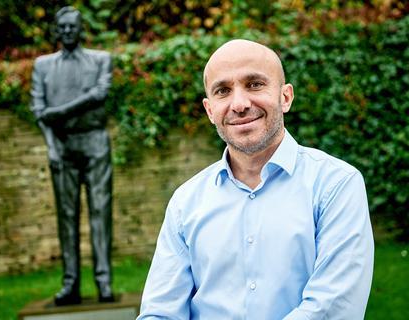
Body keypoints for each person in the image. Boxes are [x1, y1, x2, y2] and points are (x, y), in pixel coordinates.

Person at [137, 39, 374, 319]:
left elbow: (332, 307)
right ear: (210, 110)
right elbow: (160, 312)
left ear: (285, 97)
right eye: (223, 91)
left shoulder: (336, 185)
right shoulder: (185, 202)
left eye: (254, 84)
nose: (239, 104)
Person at [30, 6, 114, 305]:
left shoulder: (101, 60)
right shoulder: (42, 66)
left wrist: (57, 113)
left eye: (72, 26)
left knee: (100, 213)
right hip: (61, 148)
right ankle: (71, 285)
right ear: (56, 29)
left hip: (95, 143)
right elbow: (38, 113)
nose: (67, 31)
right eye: (62, 27)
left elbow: (101, 94)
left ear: (81, 29)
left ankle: (104, 282)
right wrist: (52, 146)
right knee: (66, 217)